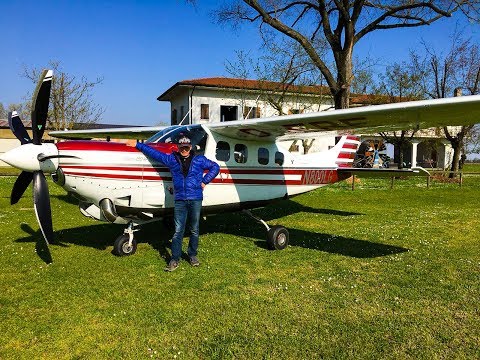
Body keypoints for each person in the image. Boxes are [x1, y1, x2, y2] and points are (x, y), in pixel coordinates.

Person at [136, 135, 220, 272]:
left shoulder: (199, 159)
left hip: (195, 198)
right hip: (180, 200)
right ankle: (174, 259)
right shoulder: (172, 159)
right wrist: (138, 145)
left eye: (187, 147)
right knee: (178, 231)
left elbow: (215, 167)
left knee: (194, 229)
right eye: (182, 148)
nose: (184, 150)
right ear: (178, 147)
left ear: (190, 147)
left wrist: (205, 181)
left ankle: (192, 255)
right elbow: (155, 154)